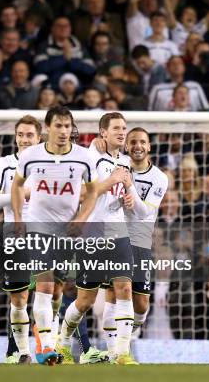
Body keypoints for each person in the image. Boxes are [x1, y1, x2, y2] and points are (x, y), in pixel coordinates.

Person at [11, 106, 102, 365]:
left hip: (68, 231)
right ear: (47, 128)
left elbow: (93, 192)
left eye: (67, 126)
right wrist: (19, 218)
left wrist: (81, 219)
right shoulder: (31, 155)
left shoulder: (84, 157)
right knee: (45, 285)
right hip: (38, 227)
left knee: (58, 292)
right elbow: (17, 186)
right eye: (58, 126)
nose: (63, 131)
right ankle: (47, 347)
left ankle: (52, 340)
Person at [56, 112, 137, 365]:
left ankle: (122, 353)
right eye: (116, 128)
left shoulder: (125, 161)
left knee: (124, 288)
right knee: (85, 300)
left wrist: (129, 199)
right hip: (93, 234)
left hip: (119, 233)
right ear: (103, 132)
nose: (122, 132)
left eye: (124, 128)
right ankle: (63, 342)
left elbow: (125, 195)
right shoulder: (89, 157)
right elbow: (81, 194)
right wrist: (110, 180)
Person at [92, 127, 169, 359]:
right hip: (115, 238)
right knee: (114, 295)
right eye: (133, 141)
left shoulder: (159, 178)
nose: (137, 146)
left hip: (141, 241)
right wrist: (96, 144)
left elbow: (144, 212)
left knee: (142, 305)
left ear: (149, 147)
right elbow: (96, 161)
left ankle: (130, 332)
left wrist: (130, 190)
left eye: (142, 142)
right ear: (127, 145)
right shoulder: (118, 165)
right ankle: (115, 350)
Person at [0, 115, 39, 364]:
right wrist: (21, 192)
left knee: (48, 295)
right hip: (15, 234)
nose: (25, 139)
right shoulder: (5, 164)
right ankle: (16, 352)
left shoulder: (50, 165)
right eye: (21, 134)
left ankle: (46, 348)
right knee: (19, 297)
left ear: (39, 137)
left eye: (30, 135)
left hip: (45, 234)